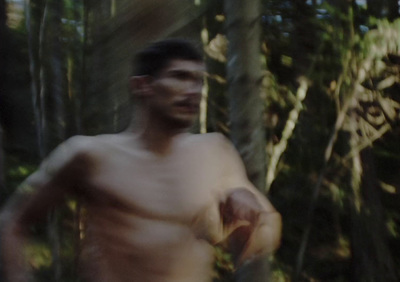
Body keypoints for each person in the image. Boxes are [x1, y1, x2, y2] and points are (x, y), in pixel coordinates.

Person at [0, 39, 281, 282]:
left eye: (198, 81)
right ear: (143, 86)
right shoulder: (89, 156)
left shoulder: (215, 152)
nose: (194, 90)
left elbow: (269, 230)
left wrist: (249, 211)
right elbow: (12, 221)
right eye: (180, 77)